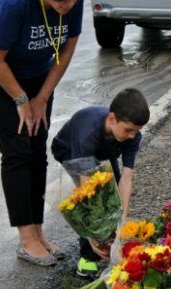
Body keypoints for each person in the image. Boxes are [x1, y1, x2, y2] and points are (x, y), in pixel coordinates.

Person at [0, 0, 85, 266]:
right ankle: (26, 238)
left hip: (36, 75)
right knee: (18, 149)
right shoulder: (16, 1)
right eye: (60, 0)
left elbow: (68, 48)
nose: (68, 4)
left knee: (37, 147)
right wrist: (21, 101)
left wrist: (42, 97)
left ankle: (39, 232)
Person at [51, 88, 150, 278]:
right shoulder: (87, 135)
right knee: (96, 204)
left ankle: (110, 245)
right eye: (128, 130)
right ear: (112, 119)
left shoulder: (131, 134)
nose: (132, 136)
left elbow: (127, 177)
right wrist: (91, 234)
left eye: (136, 131)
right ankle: (87, 258)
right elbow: (86, 193)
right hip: (70, 149)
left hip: (105, 150)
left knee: (111, 197)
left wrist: (122, 221)